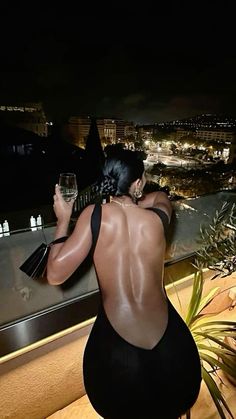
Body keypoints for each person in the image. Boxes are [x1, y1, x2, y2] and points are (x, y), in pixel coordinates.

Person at [47, 149, 202, 419]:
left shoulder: (94, 216)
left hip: (118, 358)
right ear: (139, 183)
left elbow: (55, 274)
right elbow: (160, 197)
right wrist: (133, 201)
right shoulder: (157, 218)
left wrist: (63, 220)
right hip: (174, 351)